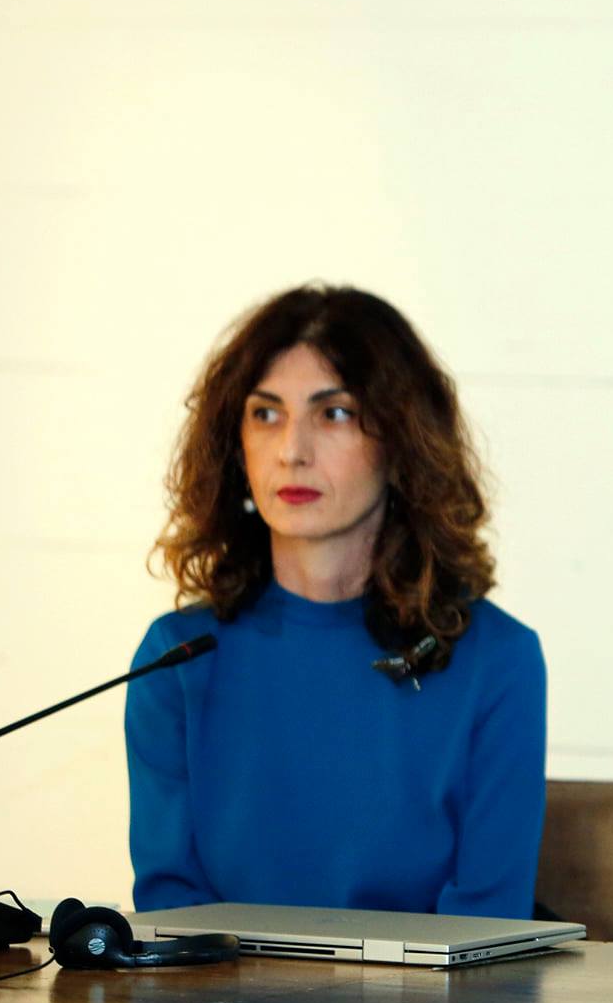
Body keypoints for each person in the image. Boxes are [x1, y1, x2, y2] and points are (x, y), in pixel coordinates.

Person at [127, 284, 547, 917]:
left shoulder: (497, 660)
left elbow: (486, 931)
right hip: (219, 989)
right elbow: (174, 919)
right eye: (265, 414)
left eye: (335, 414)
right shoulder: (177, 659)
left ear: (402, 442)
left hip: (435, 990)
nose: (292, 451)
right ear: (235, 446)